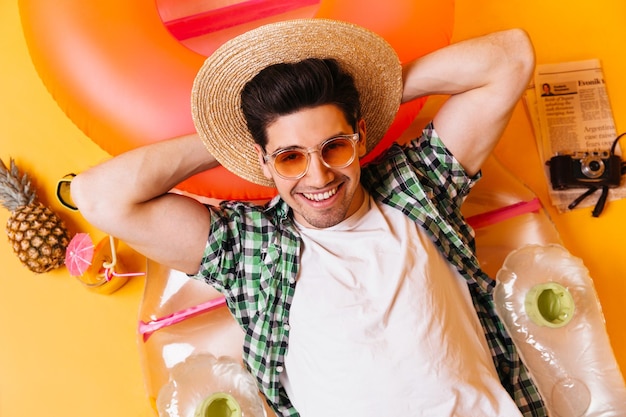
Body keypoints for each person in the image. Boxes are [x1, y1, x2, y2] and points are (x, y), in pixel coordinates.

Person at [71, 19, 544, 417]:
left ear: (359, 136)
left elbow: (511, 58)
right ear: (264, 162)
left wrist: (373, 94)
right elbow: (98, 197)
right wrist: (234, 139)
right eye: (290, 158)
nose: (318, 176)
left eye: (333, 147)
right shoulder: (249, 249)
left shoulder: (415, 184)